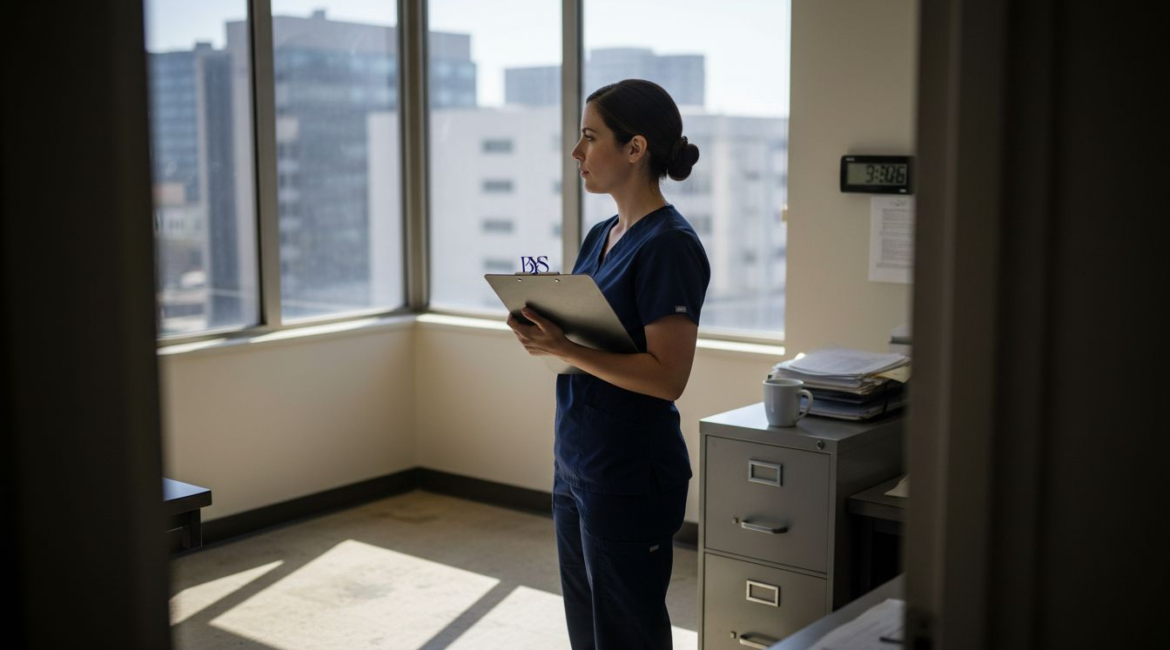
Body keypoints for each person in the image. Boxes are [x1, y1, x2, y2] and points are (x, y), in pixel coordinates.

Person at [506, 79, 710, 650]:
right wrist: (547, 334)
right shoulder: (602, 234)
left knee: (627, 634)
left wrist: (565, 348)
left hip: (628, 472)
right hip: (577, 460)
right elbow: (588, 338)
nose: (577, 153)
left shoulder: (669, 246)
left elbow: (668, 375)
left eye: (590, 138)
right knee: (588, 630)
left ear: (635, 149)